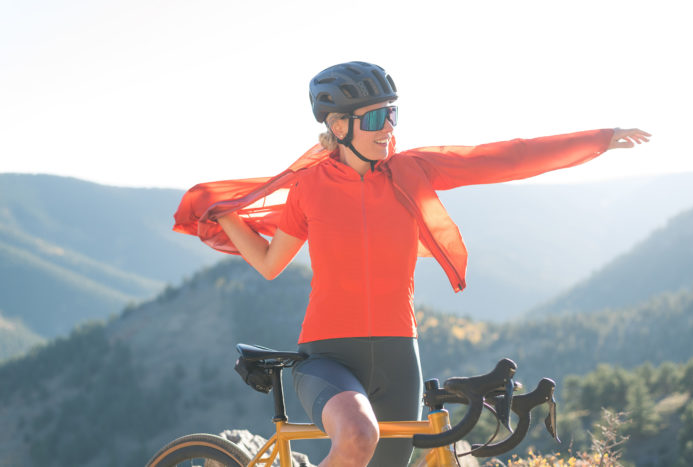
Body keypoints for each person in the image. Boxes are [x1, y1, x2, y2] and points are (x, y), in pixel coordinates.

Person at [173, 61, 650, 467]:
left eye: (393, 114)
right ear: (339, 126)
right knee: (357, 435)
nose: (389, 128)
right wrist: (227, 217)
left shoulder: (411, 171)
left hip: (401, 357)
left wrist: (600, 139)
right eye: (376, 117)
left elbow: (505, 157)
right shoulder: (309, 188)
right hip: (326, 358)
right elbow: (271, 263)